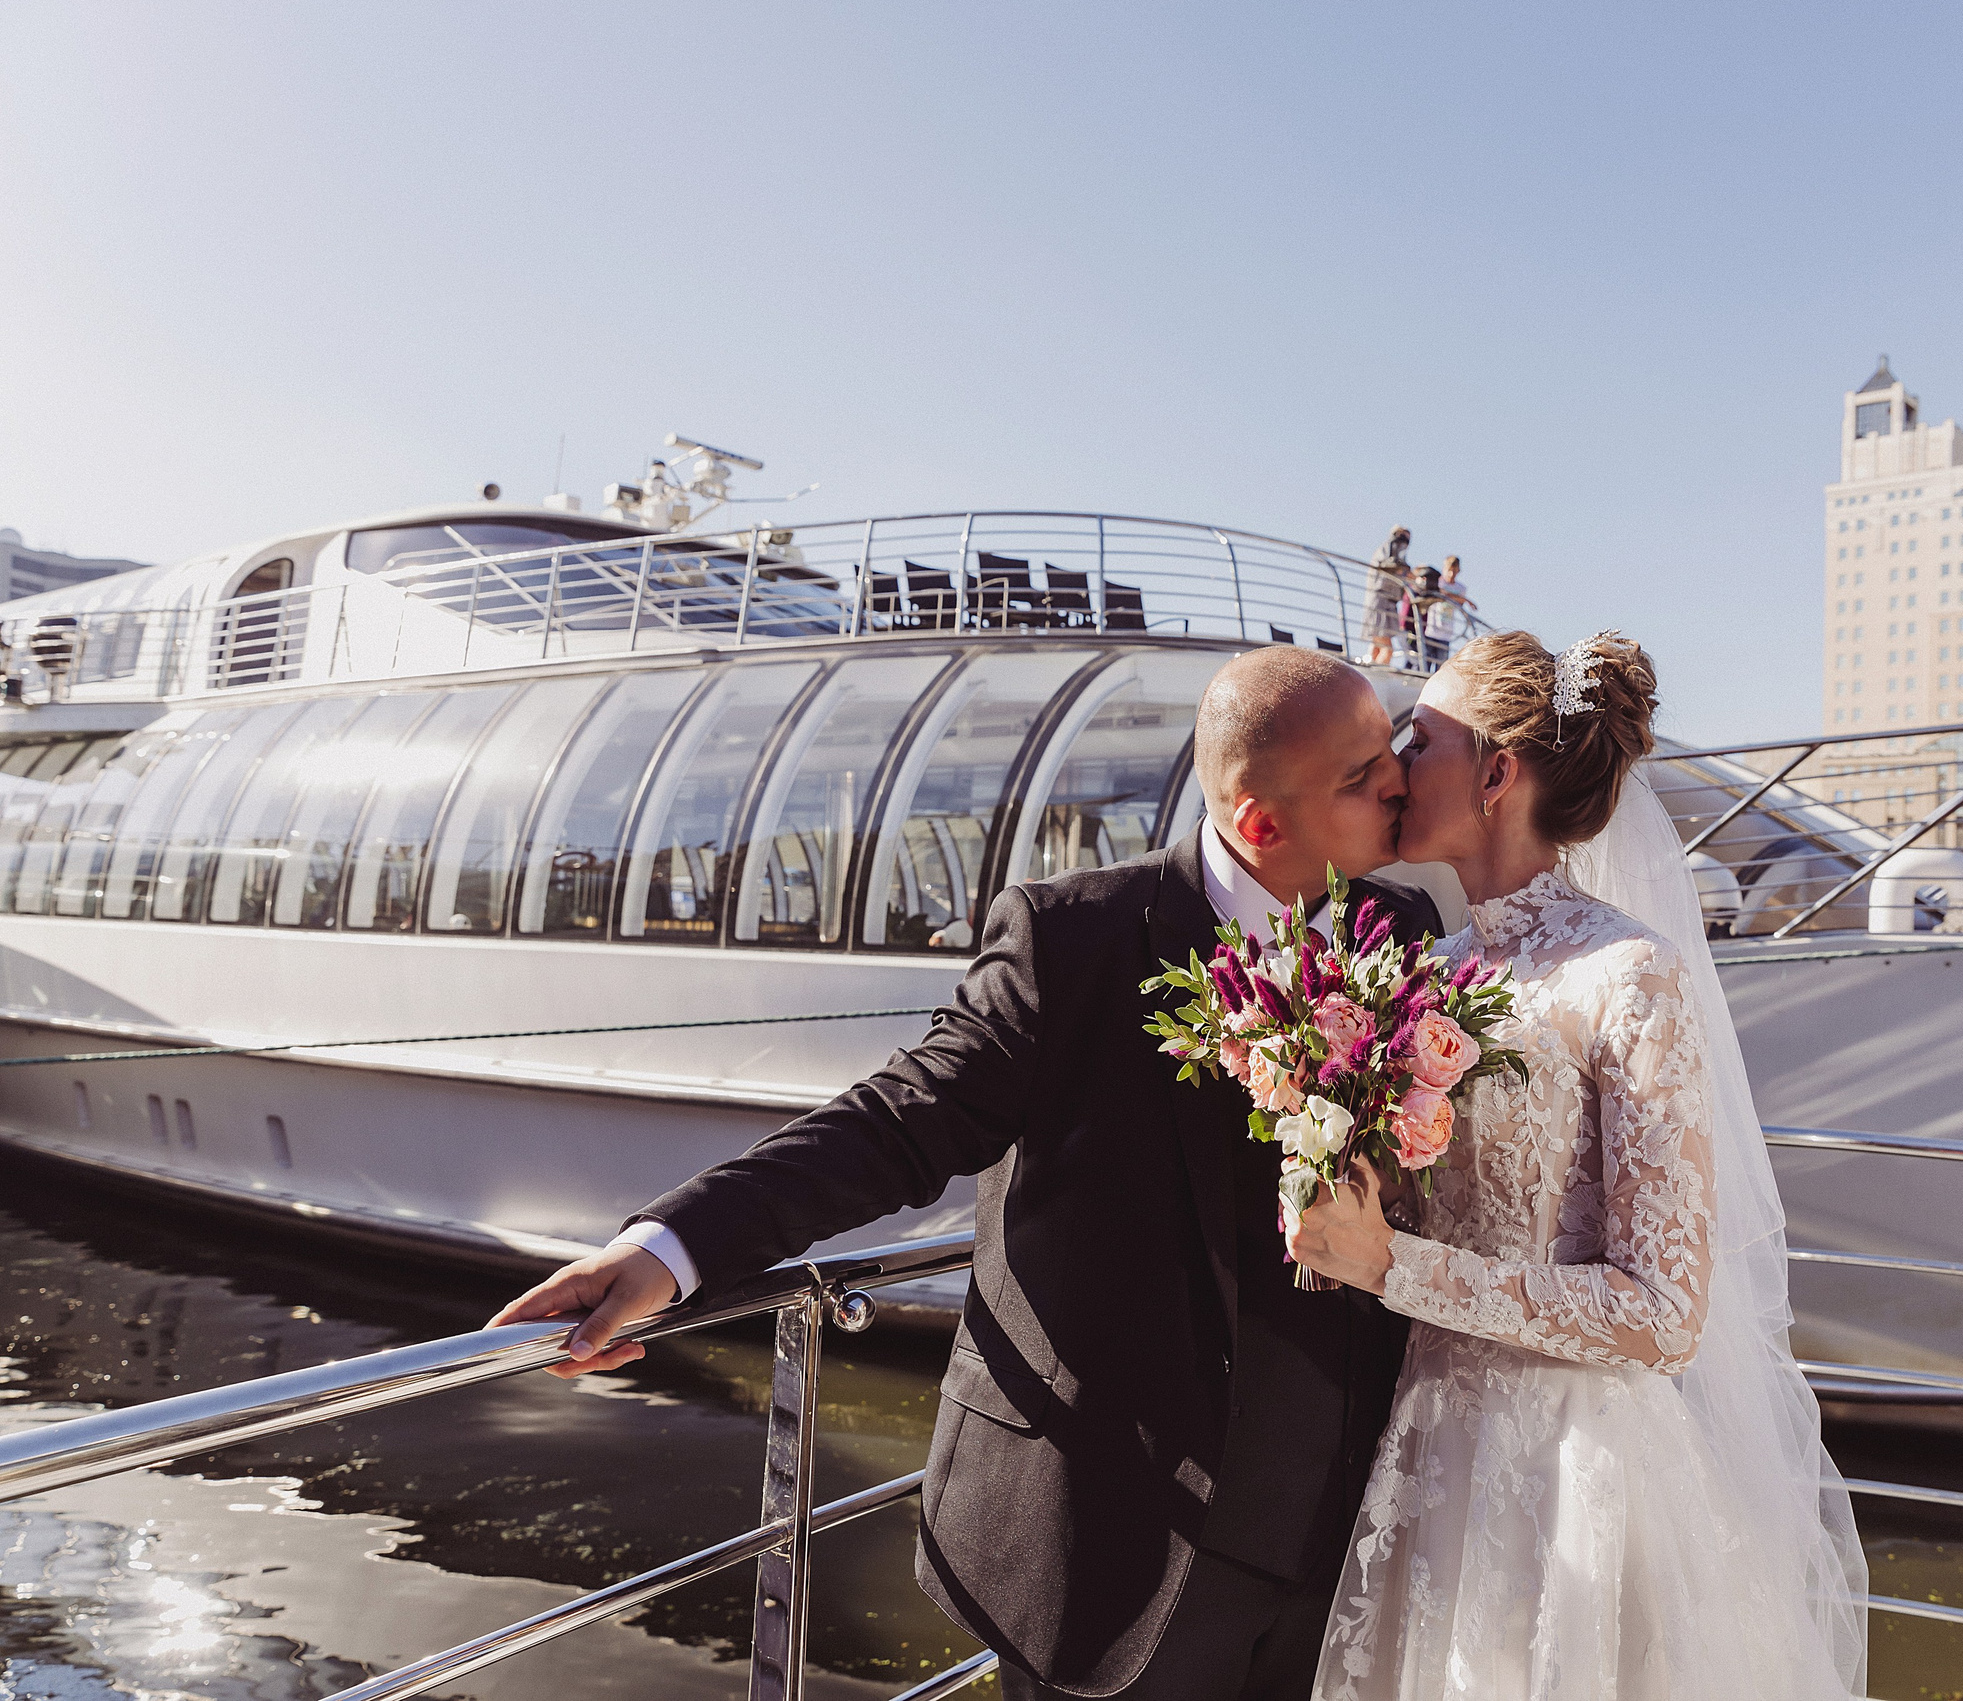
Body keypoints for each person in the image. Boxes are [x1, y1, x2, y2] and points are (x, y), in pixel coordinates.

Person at [491, 647, 1443, 1701]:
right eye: (1364, 776)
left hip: (1333, 1537)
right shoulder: (1072, 938)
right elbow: (902, 1120)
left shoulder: (1402, 933)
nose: (1399, 780)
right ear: (1261, 822)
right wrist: (668, 1251)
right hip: (1117, 1541)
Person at [1290, 630, 1869, 1699]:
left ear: (1497, 774)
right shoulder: (1426, 973)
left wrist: (1392, 1267)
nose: (1392, 770)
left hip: (1570, 1479)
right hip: (1421, 1455)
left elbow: (1663, 1314)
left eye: (1420, 743)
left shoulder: (1627, 976)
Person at [1361, 529, 1411, 666]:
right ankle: (1378, 680)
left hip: (1389, 602)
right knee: (1387, 649)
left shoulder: (1399, 555)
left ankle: (1371, 675)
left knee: (1376, 647)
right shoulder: (1386, 550)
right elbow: (1390, 566)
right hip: (1380, 601)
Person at [1423, 556, 1471, 665]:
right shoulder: (1438, 582)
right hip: (1431, 630)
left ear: (1458, 571)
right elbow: (1440, 593)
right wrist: (1464, 599)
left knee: (1441, 665)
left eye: (1454, 571)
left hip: (1446, 632)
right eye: (1449, 570)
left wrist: (1462, 599)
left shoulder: (1461, 588)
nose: (1451, 574)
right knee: (1425, 662)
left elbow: (1460, 602)